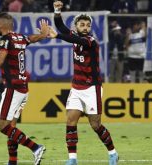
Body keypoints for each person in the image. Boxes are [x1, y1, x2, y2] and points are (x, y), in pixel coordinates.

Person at [0, 13, 49, 165]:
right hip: (24, 88)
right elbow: (32, 38)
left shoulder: (5, 40)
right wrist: (43, 34)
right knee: (12, 126)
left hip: (13, 88)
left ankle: (36, 148)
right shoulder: (19, 37)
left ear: (0, 25)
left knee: (3, 126)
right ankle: (12, 161)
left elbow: (0, 59)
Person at [50, 1, 119, 165]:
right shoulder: (74, 37)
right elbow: (60, 26)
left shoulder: (91, 41)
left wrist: (58, 36)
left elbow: (65, 35)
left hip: (91, 88)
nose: (86, 27)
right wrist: (57, 10)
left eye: (88, 25)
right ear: (76, 26)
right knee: (70, 120)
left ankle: (113, 153)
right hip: (76, 87)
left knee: (95, 125)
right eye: (82, 25)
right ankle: (72, 159)